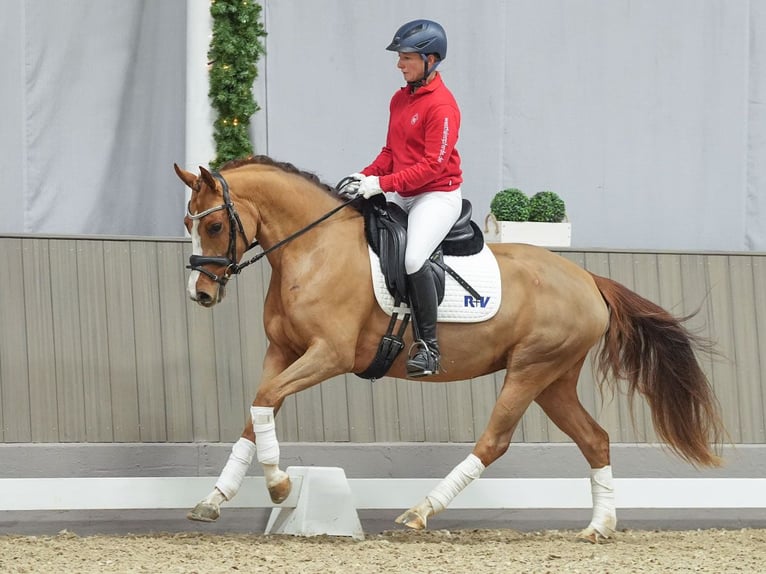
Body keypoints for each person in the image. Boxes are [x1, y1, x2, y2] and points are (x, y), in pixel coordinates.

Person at [346, 19, 463, 378]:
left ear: (430, 59)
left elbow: (431, 167)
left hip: (436, 196)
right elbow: (390, 152)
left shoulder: (442, 106)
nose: (399, 64)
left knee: (413, 258)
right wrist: (365, 176)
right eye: (400, 57)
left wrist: (382, 184)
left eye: (406, 58)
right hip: (405, 193)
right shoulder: (400, 99)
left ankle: (429, 348)